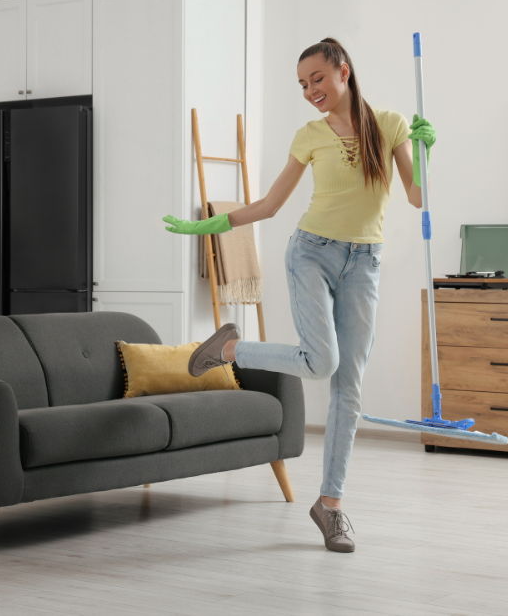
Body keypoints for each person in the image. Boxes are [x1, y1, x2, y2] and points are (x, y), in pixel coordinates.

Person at [162, 37, 435, 553]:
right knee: (322, 361)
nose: (311, 91)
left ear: (343, 71)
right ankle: (229, 350)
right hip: (311, 252)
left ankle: (330, 507)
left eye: (317, 79)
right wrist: (211, 225)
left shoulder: (391, 125)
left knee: (348, 387)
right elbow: (268, 205)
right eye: (303, 84)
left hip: (366, 262)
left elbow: (419, 197)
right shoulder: (310, 134)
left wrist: (424, 150)